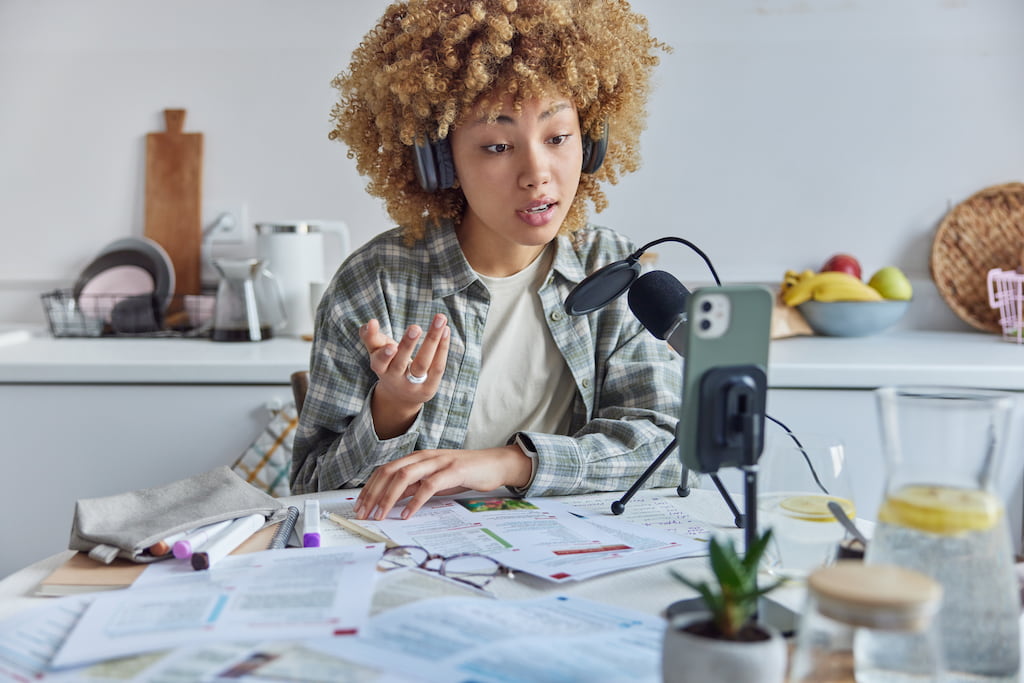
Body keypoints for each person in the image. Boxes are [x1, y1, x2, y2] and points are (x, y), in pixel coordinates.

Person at [291, 0, 683, 521]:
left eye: (558, 137)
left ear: (592, 142)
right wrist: (392, 411)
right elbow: (310, 490)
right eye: (497, 146)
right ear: (437, 160)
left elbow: (669, 451)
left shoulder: (616, 272)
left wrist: (510, 463)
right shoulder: (374, 283)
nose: (536, 173)